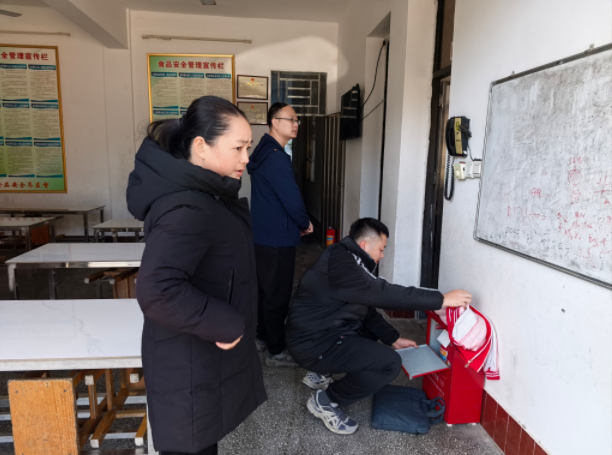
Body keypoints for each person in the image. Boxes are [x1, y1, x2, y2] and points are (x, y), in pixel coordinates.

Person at [126, 96, 267, 455]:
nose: (246, 159)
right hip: (186, 366)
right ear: (201, 146)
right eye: (238, 148)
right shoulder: (188, 206)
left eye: (248, 148)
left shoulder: (208, 195)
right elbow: (157, 289)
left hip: (196, 357)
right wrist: (226, 323)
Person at [285, 217, 472, 435]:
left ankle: (320, 371)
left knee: (369, 332)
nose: (382, 255)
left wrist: (393, 338)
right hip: (312, 343)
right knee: (389, 364)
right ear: (364, 245)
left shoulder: (343, 255)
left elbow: (365, 309)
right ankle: (326, 400)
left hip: (319, 332)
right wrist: (441, 299)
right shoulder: (344, 266)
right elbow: (384, 293)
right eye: (381, 249)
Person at [247, 102, 313, 367]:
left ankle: (262, 337)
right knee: (277, 295)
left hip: (264, 234)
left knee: (266, 291)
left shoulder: (263, 151)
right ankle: (276, 351)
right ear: (275, 122)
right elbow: (291, 197)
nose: (296, 124)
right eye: (291, 119)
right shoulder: (275, 156)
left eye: (297, 120)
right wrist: (304, 222)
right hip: (277, 237)